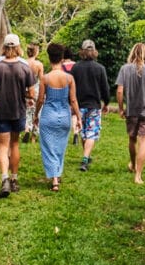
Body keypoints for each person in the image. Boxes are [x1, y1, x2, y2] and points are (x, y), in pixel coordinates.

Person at [0, 33, 37, 198]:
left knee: (3, 147)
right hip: (18, 111)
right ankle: (14, 179)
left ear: (5, 47)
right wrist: (23, 94)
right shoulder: (25, 68)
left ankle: (4, 179)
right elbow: (32, 93)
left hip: (1, 111)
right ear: (18, 47)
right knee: (15, 145)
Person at [33, 43, 81, 192]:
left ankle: (54, 178)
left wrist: (35, 115)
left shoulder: (45, 78)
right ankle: (57, 175)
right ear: (62, 58)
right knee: (60, 147)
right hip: (65, 116)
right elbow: (73, 100)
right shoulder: (69, 78)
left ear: (49, 57)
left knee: (48, 148)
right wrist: (78, 117)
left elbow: (40, 99)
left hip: (48, 116)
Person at [115, 42, 145, 185]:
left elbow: (119, 91)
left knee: (132, 139)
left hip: (131, 112)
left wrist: (121, 108)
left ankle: (133, 164)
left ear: (132, 53)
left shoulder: (124, 69)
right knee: (143, 141)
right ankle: (138, 176)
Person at [71, 39, 111, 172]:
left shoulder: (75, 68)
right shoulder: (100, 68)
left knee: (83, 132)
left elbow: (71, 88)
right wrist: (106, 102)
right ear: (94, 51)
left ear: (82, 51)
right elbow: (105, 88)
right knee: (91, 133)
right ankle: (85, 158)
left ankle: (86, 156)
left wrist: (71, 103)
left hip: (79, 104)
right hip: (94, 105)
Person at [23, 44, 44, 143]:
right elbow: (41, 79)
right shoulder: (39, 64)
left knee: (26, 111)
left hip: (25, 90)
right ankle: (33, 137)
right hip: (35, 89)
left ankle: (27, 129)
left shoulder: (23, 63)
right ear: (36, 52)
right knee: (37, 113)